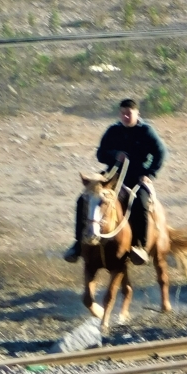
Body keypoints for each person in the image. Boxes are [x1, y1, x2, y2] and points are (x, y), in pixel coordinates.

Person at [64, 98, 168, 265]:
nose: (126, 116)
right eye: (123, 113)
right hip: (111, 176)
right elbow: (101, 154)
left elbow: (161, 153)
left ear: (137, 113)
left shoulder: (146, 131)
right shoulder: (113, 131)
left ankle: (139, 246)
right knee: (82, 199)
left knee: (140, 202)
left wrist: (150, 173)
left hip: (136, 176)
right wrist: (115, 154)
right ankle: (78, 244)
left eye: (129, 113)